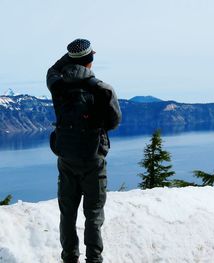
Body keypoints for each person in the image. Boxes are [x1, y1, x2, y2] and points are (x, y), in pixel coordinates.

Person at [47, 38, 122, 263]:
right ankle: (94, 259)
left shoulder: (57, 84)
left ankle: (69, 258)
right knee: (93, 215)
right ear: (90, 61)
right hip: (93, 159)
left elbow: (53, 68)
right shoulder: (102, 89)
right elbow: (114, 121)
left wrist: (71, 58)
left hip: (66, 158)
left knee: (67, 213)